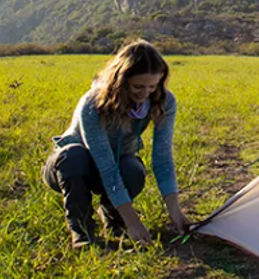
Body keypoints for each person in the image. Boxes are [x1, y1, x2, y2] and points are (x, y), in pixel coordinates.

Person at [41, 40, 191, 247]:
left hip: (115, 164)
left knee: (133, 169)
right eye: (138, 86)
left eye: (152, 86)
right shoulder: (93, 103)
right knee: (74, 156)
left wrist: (175, 210)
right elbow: (105, 165)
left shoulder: (164, 101)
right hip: (70, 168)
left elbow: (163, 159)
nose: (144, 94)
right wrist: (133, 219)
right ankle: (82, 231)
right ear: (120, 80)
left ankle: (113, 218)